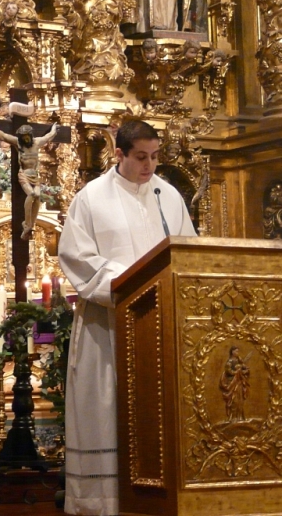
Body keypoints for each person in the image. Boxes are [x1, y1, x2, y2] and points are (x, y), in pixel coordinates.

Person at [58, 119, 196, 515]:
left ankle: (157, 496)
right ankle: (102, 503)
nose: (149, 166)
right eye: (140, 157)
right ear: (118, 154)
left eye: (154, 157)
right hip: (109, 324)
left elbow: (186, 251)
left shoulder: (167, 196)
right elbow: (76, 255)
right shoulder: (91, 197)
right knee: (107, 410)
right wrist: (130, 284)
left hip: (160, 327)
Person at [0, 116, 59, 240]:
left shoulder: (37, 142)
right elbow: (3, 136)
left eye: (27, 136)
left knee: (38, 197)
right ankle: (27, 224)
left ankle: (30, 225)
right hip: (24, 175)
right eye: (23, 136)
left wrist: (54, 128)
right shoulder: (18, 143)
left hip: (34, 175)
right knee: (32, 195)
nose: (26, 138)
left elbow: (49, 136)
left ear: (31, 135)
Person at [219, 346, 250, 423]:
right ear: (232, 352)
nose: (237, 353)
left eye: (238, 351)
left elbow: (246, 369)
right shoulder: (229, 362)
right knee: (233, 400)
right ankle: (232, 417)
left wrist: (244, 370)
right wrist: (237, 371)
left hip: (239, 382)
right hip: (232, 383)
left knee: (240, 400)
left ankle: (240, 416)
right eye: (236, 351)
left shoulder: (239, 360)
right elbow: (228, 372)